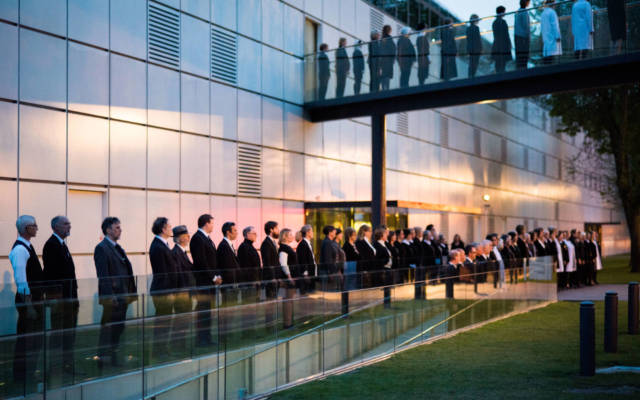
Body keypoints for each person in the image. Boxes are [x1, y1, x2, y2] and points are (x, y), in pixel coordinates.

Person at [94, 217, 137, 367]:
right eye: (117, 227)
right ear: (108, 230)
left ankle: (112, 357)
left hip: (122, 296)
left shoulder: (117, 248)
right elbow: (103, 275)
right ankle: (104, 358)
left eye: (120, 227)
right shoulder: (102, 248)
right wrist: (110, 295)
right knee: (109, 329)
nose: (120, 230)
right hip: (113, 298)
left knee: (118, 328)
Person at [10, 215, 45, 382]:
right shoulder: (20, 250)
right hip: (28, 302)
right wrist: (29, 306)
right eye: (34, 225)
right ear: (26, 228)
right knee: (27, 339)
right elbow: (21, 280)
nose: (37, 227)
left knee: (34, 339)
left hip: (33, 301)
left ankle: (28, 373)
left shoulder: (27, 247)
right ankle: (22, 376)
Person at [42, 216, 78, 375]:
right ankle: (56, 368)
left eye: (69, 223)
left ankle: (67, 365)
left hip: (69, 297)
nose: (69, 226)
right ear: (56, 227)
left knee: (69, 334)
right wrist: (56, 298)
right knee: (59, 334)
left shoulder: (62, 244)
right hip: (61, 299)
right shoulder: (51, 245)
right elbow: (52, 274)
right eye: (65, 224)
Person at [190, 214, 222, 347]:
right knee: (203, 311)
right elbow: (201, 262)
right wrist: (213, 277)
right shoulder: (198, 238)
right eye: (212, 223)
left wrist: (217, 275)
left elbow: (213, 260)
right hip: (203, 282)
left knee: (207, 312)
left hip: (209, 282)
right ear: (206, 223)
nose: (213, 226)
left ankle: (207, 338)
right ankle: (202, 339)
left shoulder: (207, 238)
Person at [148, 217, 179, 357]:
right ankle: (159, 350)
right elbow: (163, 272)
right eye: (169, 226)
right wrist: (170, 291)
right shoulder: (158, 246)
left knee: (166, 321)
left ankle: (162, 349)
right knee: (163, 322)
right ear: (163, 229)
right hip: (163, 290)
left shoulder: (163, 245)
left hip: (166, 289)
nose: (171, 229)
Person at [170, 225, 196, 352]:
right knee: (181, 320)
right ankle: (178, 345)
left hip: (186, 292)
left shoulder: (182, 252)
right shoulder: (175, 253)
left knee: (184, 320)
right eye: (186, 236)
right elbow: (179, 275)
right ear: (179, 239)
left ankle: (181, 344)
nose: (189, 238)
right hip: (182, 293)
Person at [278, 229, 298, 328]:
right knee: (288, 301)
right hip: (288, 279)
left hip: (291, 278)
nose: (292, 236)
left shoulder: (287, 247)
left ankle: (289, 322)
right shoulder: (283, 248)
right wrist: (289, 277)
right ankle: (287, 324)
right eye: (290, 234)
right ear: (285, 236)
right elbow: (283, 264)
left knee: (289, 301)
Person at [237, 226, 261, 302]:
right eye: (254, 233)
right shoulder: (244, 247)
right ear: (247, 234)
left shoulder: (250, 246)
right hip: (249, 283)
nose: (256, 235)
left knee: (254, 306)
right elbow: (245, 266)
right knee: (250, 306)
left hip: (253, 282)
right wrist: (254, 280)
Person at [260, 221, 280, 304]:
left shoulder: (273, 242)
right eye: (276, 228)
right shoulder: (266, 243)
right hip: (271, 279)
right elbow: (267, 262)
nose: (278, 230)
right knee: (271, 303)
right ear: (271, 230)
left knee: (274, 303)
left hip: (275, 277)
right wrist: (272, 278)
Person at [218, 221, 240, 292]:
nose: (237, 232)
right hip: (228, 283)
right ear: (228, 232)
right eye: (235, 230)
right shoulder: (224, 245)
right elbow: (226, 265)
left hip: (232, 281)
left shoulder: (229, 245)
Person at [492, 6, 512, 74]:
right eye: (504, 12)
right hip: (501, 45)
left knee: (500, 62)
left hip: (499, 45)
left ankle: (500, 73)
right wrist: (509, 43)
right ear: (501, 12)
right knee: (500, 61)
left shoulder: (496, 22)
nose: (505, 13)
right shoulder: (501, 22)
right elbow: (506, 34)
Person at [296, 225, 316, 294]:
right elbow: (302, 260)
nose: (313, 233)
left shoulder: (308, 243)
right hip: (306, 276)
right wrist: (305, 274)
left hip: (311, 274)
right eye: (312, 231)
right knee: (306, 295)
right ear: (307, 233)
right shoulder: (302, 244)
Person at [541, 0, 562, 64]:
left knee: (547, 59)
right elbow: (555, 25)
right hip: (553, 38)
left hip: (546, 39)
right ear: (552, 4)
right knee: (553, 58)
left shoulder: (543, 13)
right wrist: (558, 36)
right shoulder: (552, 12)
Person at [515, 0, 531, 69]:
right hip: (523, 38)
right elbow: (526, 26)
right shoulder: (524, 12)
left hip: (517, 36)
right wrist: (528, 37)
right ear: (526, 2)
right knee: (524, 57)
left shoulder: (517, 12)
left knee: (519, 57)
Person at [380, 25, 396, 90]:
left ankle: (384, 90)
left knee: (383, 77)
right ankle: (386, 91)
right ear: (389, 30)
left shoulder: (381, 39)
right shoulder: (389, 38)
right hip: (388, 61)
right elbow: (393, 49)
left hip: (382, 61)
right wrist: (393, 59)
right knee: (387, 78)